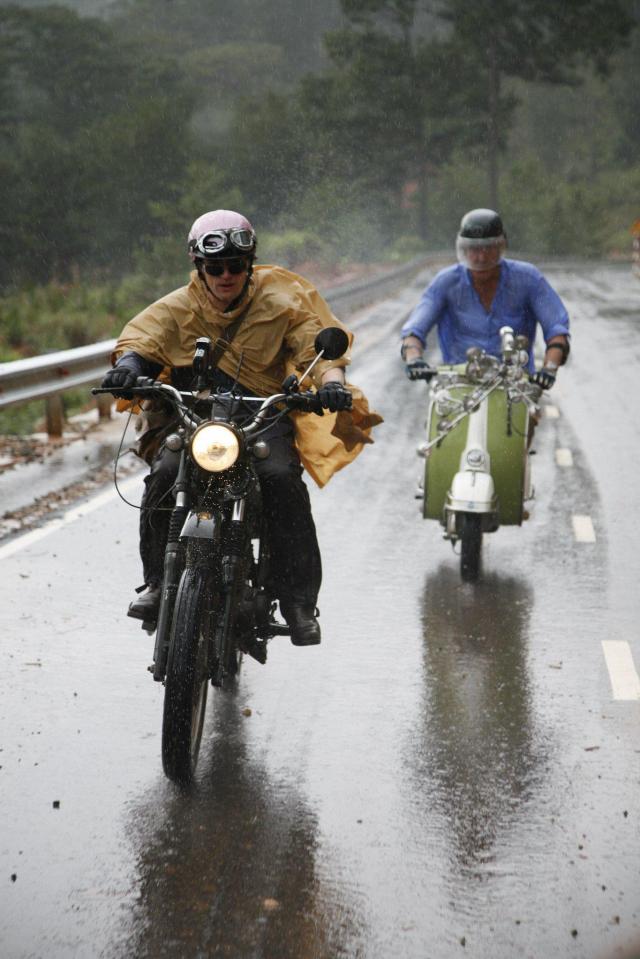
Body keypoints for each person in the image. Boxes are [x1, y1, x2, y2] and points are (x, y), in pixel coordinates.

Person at [102, 209, 380, 647]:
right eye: (216, 267)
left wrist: (332, 386)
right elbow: (141, 341)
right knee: (162, 474)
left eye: (235, 266)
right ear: (200, 267)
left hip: (260, 418)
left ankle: (297, 600)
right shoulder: (178, 307)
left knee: (281, 480)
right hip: (194, 417)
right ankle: (157, 582)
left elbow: (320, 350)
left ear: (249, 265)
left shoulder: (282, 303)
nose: (226, 275)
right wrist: (130, 367)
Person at [400, 209, 570, 387]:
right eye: (474, 249)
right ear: (463, 250)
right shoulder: (446, 282)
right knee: (437, 414)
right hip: (458, 386)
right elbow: (414, 329)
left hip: (515, 386)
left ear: (501, 247)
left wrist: (549, 368)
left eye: (488, 248)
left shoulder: (528, 279)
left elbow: (556, 329)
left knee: (531, 414)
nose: (481, 257)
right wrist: (414, 359)